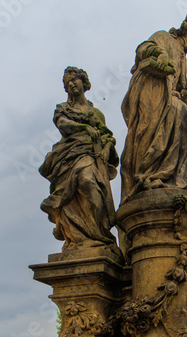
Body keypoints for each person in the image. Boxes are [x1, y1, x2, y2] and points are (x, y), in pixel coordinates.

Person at [120, 11, 187, 203]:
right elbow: (143, 49)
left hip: (172, 100)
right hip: (155, 95)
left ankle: (179, 179)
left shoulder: (183, 58)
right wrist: (159, 52)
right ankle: (150, 175)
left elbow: (185, 92)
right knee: (179, 116)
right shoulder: (164, 37)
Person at [39, 67, 119, 251]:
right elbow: (63, 124)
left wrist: (107, 148)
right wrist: (84, 128)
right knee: (84, 183)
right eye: (68, 83)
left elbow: (107, 136)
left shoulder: (96, 113)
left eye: (75, 80)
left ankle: (98, 235)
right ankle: (80, 238)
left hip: (92, 155)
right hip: (68, 156)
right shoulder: (63, 109)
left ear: (84, 83)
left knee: (92, 190)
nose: (72, 84)